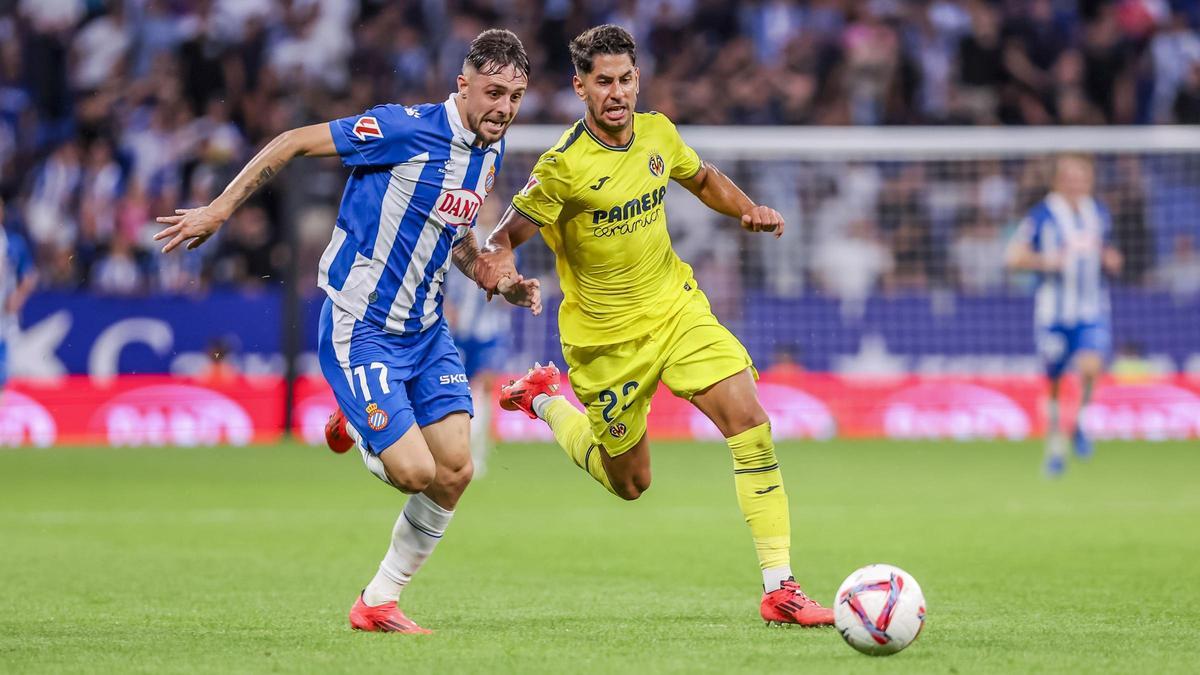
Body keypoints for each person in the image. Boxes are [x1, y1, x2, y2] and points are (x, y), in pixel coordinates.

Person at [154, 29, 541, 634]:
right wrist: (219, 211)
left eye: (516, 97)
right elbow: (290, 142)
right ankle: (356, 424)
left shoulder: (487, 152)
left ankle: (377, 602)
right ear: (462, 85)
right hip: (361, 326)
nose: (505, 109)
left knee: (457, 470)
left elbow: (451, 233)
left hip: (427, 329)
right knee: (415, 472)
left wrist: (495, 278)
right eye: (494, 93)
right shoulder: (404, 128)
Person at [473, 25, 833, 627]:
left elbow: (702, 178)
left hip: (676, 310)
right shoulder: (562, 167)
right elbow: (502, 235)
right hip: (605, 344)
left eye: (626, 79)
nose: (617, 93)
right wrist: (505, 276)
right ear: (580, 87)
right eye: (603, 82)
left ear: (638, 78)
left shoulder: (659, 132)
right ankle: (543, 402)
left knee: (749, 419)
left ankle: (780, 586)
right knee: (631, 483)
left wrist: (746, 208)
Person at [1005, 154, 1121, 478]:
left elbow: (1106, 250)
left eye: (1082, 177)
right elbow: (1013, 256)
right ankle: (1055, 448)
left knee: (1090, 365)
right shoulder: (1042, 215)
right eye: (1070, 177)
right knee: (1054, 382)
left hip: (1091, 308)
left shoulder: (1098, 213)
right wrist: (1047, 262)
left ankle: (1081, 421)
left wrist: (1111, 258)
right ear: (1058, 180)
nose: (1077, 183)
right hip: (1053, 312)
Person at [0, 198, 37, 391]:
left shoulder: (13, 244)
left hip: (4, 322)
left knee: (2, 379)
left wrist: (17, 297)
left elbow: (29, 275)